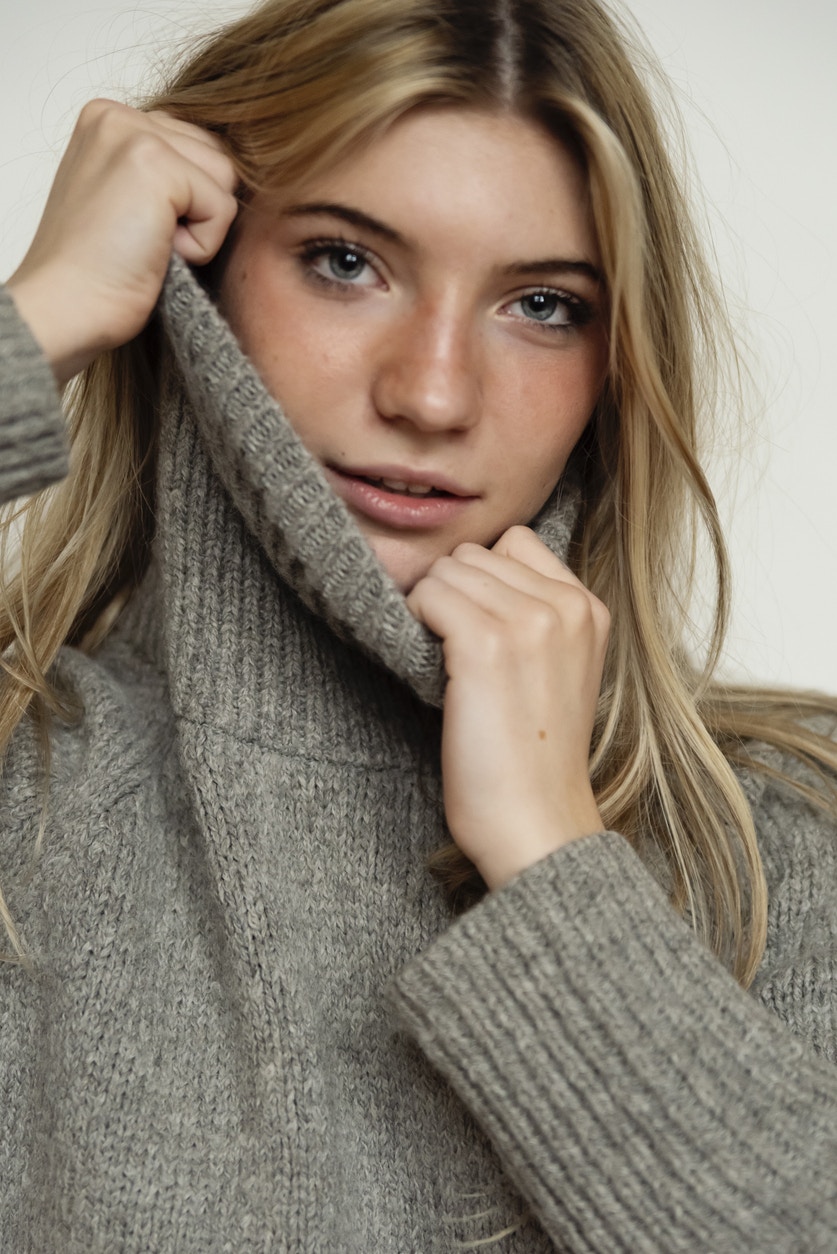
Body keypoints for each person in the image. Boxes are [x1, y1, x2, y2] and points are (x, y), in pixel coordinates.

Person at [2, 0, 837, 1248]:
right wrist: (42, 312)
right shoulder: (24, 773)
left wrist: (554, 864)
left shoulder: (773, 842)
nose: (433, 392)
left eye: (544, 304)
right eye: (347, 260)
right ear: (198, 272)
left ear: (621, 362)